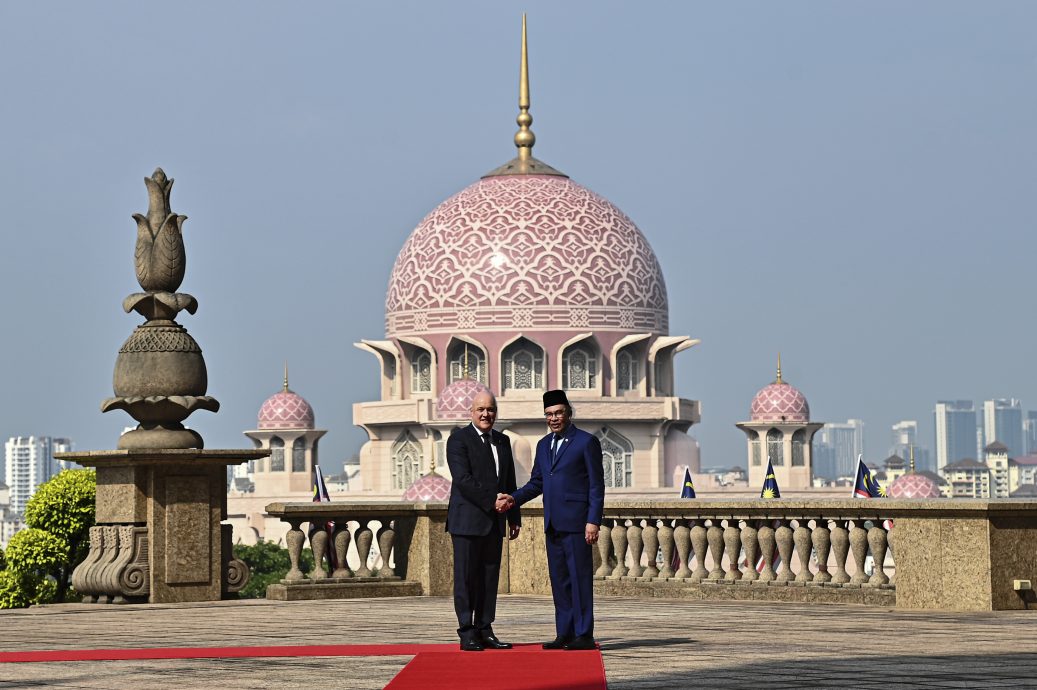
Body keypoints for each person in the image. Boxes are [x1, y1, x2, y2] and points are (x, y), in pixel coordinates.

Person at [496, 389, 605, 651]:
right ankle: (564, 633)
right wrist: (513, 499)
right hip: (553, 523)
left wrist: (593, 521)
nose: (553, 418)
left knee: (579, 579)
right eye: (549, 414)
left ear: (568, 413)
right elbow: (537, 483)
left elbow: (596, 486)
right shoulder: (544, 445)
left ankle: (583, 634)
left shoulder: (586, 442)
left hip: (577, 523)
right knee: (560, 580)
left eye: (558, 413)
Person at [446, 390, 521, 652]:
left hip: (495, 521)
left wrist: (513, 515)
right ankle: (467, 631)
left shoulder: (502, 441)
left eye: (490, 409)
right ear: (472, 412)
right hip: (467, 521)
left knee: (489, 578)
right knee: (466, 578)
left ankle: (485, 628)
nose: (486, 414)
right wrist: (492, 501)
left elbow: (509, 481)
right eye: (481, 409)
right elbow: (463, 480)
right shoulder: (458, 440)